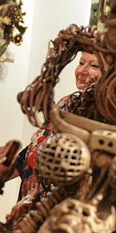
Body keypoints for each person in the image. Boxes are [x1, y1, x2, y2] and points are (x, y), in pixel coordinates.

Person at [14, 51, 101, 198]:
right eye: (80, 63)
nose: (82, 71)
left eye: (94, 66)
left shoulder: (102, 118)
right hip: (29, 202)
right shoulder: (66, 103)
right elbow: (33, 149)